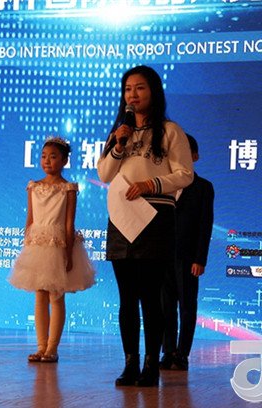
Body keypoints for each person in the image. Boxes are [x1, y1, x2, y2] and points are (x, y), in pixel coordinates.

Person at [97, 65, 194, 387]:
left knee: (151, 296)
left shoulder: (169, 131)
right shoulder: (119, 133)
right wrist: (118, 146)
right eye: (128, 89)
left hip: (155, 215)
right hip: (121, 217)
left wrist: (152, 184)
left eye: (139, 88)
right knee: (126, 298)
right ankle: (130, 363)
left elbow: (185, 174)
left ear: (153, 91)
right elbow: (104, 174)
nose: (133, 95)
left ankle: (152, 364)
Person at [8, 137, 95, 363]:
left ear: (64, 160)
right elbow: (30, 219)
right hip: (37, 244)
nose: (47, 161)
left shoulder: (68, 188)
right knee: (39, 295)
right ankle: (40, 346)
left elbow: (69, 223)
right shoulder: (33, 186)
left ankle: (52, 348)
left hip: (58, 245)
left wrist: (68, 252)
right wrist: (27, 244)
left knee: (56, 296)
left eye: (53, 157)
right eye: (44, 156)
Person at [160, 134, 214, 371]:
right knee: (165, 306)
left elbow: (205, 225)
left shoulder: (203, 187)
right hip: (162, 256)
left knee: (187, 306)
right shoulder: (163, 184)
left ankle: (182, 354)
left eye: (185, 153)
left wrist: (200, 259)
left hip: (188, 257)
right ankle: (167, 351)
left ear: (195, 156)